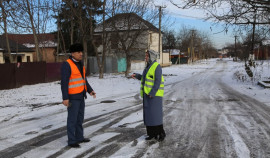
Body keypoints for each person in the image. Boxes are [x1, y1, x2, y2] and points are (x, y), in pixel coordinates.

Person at [61, 43, 96, 148]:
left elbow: (83, 80)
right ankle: (72, 141)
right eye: (78, 52)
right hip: (72, 97)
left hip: (81, 96)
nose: (81, 54)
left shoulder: (80, 63)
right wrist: (65, 98)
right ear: (72, 53)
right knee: (72, 120)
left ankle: (79, 137)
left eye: (81, 52)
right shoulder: (67, 64)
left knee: (80, 119)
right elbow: (64, 83)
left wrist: (90, 91)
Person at [131, 50, 166, 142]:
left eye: (147, 56)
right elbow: (145, 78)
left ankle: (161, 133)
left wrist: (152, 92)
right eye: (145, 55)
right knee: (149, 116)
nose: (145, 57)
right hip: (147, 95)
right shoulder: (147, 67)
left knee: (155, 116)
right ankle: (151, 134)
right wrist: (137, 76)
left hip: (155, 96)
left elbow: (157, 81)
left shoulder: (156, 67)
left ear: (152, 57)